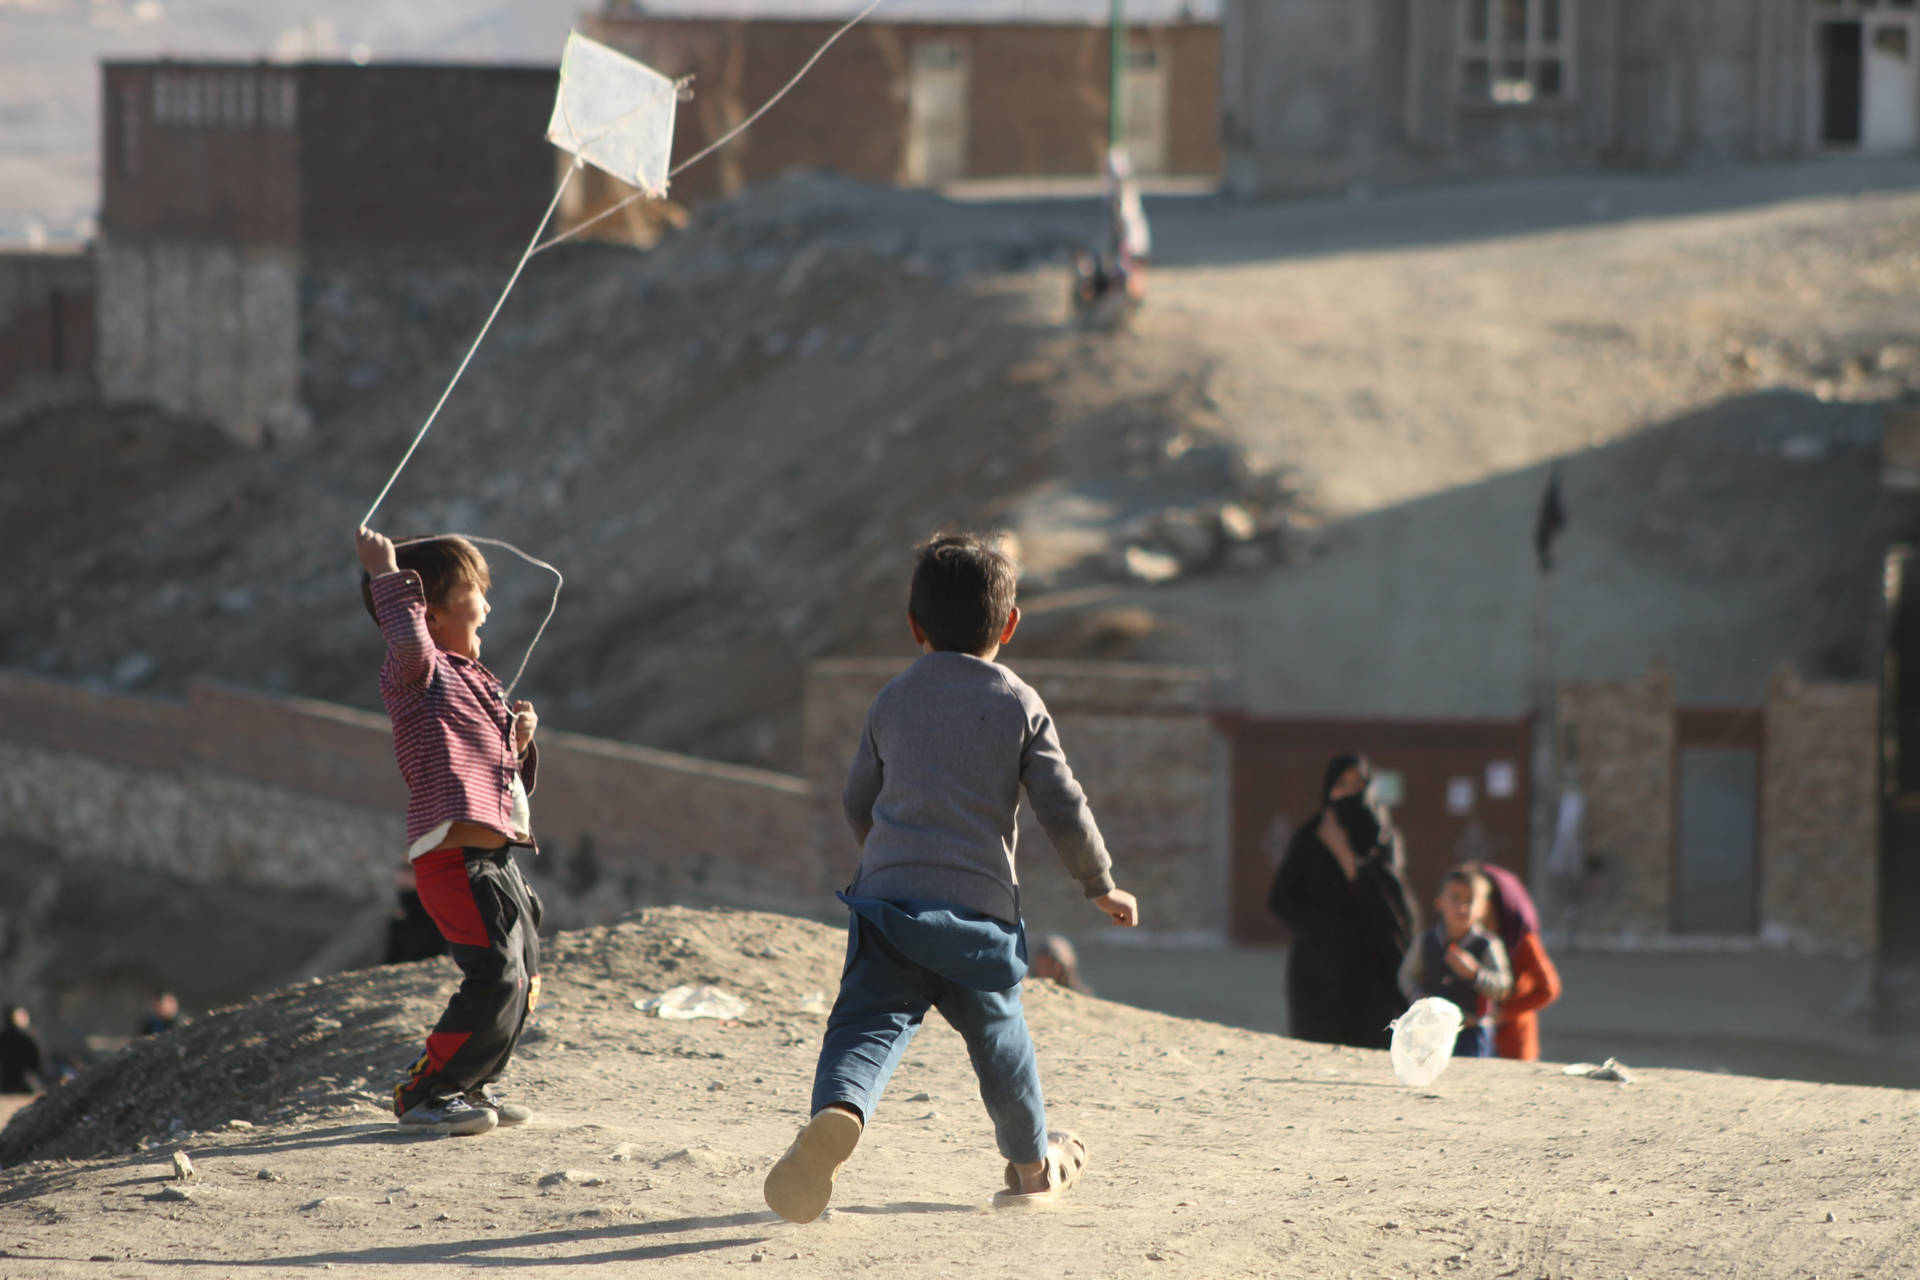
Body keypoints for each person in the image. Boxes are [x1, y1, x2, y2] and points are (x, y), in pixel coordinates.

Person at [763, 533, 1140, 1222]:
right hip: (979, 923)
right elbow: (1062, 805)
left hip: (889, 910)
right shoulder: (1019, 702)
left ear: (915, 626)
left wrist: (886, 861)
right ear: (1010, 625)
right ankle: (1031, 1168)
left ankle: (838, 1113)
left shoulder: (893, 700)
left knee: (864, 1025)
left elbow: (857, 800)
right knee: (1004, 1045)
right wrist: (1100, 883)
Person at [357, 525, 544, 1137]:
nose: (486, 605)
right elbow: (407, 641)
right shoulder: (416, 672)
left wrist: (517, 741)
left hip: (497, 862)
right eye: (473, 590)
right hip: (454, 862)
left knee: (525, 980)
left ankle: (471, 1083)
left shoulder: (475, 679)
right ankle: (425, 1092)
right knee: (494, 976)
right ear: (428, 611)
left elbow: (493, 779)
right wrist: (386, 574)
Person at [1267, 754, 1417, 1049]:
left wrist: (1346, 858)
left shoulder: (1383, 838)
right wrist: (1328, 928)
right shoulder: (1310, 837)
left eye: (1357, 785)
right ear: (1328, 789)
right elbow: (1280, 900)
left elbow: (1393, 907)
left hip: (1373, 970)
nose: (1349, 793)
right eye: (1341, 785)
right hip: (1320, 968)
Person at [1398, 867, 1512, 1058]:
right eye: (1455, 899)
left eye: (1470, 901)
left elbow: (1503, 987)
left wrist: (1475, 973)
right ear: (1439, 903)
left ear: (1483, 907)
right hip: (1431, 1032)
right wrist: (1419, 999)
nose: (1462, 908)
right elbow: (1406, 976)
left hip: (1472, 1032)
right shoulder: (1426, 940)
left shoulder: (1487, 944)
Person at [1467, 861, 1563, 1061]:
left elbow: (1549, 988)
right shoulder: (1467, 937)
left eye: (1473, 900)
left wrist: (1503, 1013)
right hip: (1472, 1041)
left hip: (1511, 1042)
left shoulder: (1521, 941)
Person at [384, 866, 451, 965]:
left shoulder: (436, 919)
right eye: (401, 886)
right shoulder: (398, 924)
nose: (404, 890)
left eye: (407, 884)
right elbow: (392, 958)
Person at [0, 1005, 47, 1095]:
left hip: (7, 1084)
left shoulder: (3, 1037)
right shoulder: (28, 1037)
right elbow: (40, 1060)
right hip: (27, 1083)